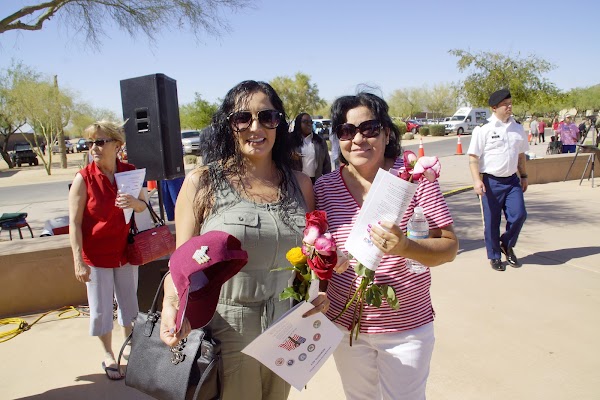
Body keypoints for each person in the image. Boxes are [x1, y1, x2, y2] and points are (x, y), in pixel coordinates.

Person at [159, 80, 329, 400]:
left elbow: (309, 256)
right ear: (228, 125)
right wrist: (171, 306)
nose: (256, 127)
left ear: (279, 123)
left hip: (286, 324)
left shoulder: (302, 184)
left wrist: (315, 291)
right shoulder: (202, 182)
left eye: (267, 117)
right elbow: (180, 268)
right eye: (243, 118)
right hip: (227, 330)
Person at [314, 92, 458, 399]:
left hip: (406, 326)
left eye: (369, 129)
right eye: (346, 131)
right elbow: (317, 249)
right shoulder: (324, 187)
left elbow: (449, 247)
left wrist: (405, 246)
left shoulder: (414, 177)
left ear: (387, 132)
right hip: (345, 325)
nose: (358, 139)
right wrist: (326, 263)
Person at [68, 121, 148, 380]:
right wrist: (78, 260)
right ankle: (108, 354)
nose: (94, 148)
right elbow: (75, 222)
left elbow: (143, 207)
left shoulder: (130, 172)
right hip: (96, 257)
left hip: (124, 253)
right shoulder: (84, 178)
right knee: (101, 309)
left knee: (129, 304)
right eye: (90, 143)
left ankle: (128, 348)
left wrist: (134, 202)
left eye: (100, 142)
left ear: (117, 145)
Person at [467, 89, 529, 271]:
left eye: (510, 103)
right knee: (492, 221)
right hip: (490, 182)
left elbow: (521, 155)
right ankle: (494, 256)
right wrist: (476, 180)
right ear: (494, 108)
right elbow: (473, 157)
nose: (509, 107)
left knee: (519, 215)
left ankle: (506, 244)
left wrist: (524, 176)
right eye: (505, 104)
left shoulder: (517, 127)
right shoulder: (483, 129)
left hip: (511, 181)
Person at [292, 113, 332, 183]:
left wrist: (327, 181)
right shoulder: (290, 140)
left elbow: (327, 164)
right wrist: (291, 156)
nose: (309, 124)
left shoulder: (320, 141)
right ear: (298, 124)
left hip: (316, 181)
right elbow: (284, 161)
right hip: (297, 181)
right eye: (305, 122)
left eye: (310, 122)